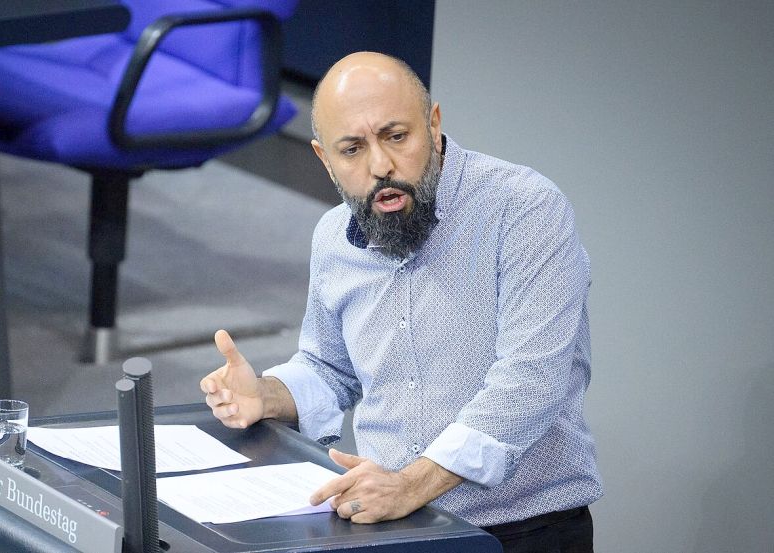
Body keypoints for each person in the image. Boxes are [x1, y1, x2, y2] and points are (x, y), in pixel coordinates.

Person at [200, 51, 602, 552]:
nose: (381, 166)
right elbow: (330, 368)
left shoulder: (524, 209)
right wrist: (266, 395)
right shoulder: (333, 236)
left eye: (396, 136)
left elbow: (530, 382)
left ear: (433, 125)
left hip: (523, 531)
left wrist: (413, 484)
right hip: (393, 526)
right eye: (352, 149)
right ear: (325, 159)